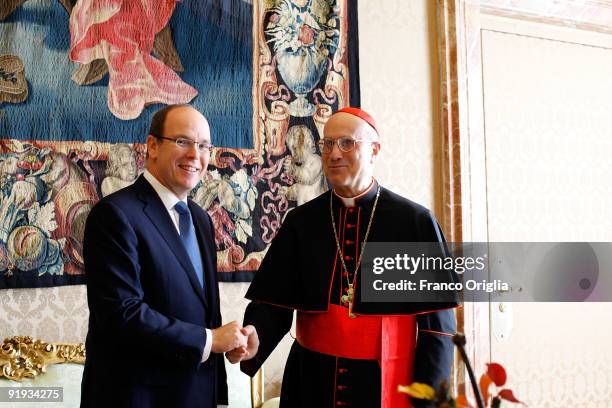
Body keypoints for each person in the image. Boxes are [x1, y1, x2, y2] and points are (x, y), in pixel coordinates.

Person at [228, 107, 459, 408]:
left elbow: (437, 327)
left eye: (347, 143)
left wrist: (430, 400)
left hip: (382, 384)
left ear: (374, 150)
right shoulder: (301, 222)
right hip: (311, 382)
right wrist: (252, 340)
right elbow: (272, 304)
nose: (334, 153)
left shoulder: (413, 222)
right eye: (327, 144)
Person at [81, 104, 257, 408]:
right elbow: (121, 315)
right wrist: (210, 340)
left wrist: (231, 342)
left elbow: (197, 311)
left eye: (203, 146)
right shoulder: (115, 214)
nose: (195, 155)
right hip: (138, 397)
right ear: (152, 146)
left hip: (195, 395)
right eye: (182, 142)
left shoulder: (200, 218)